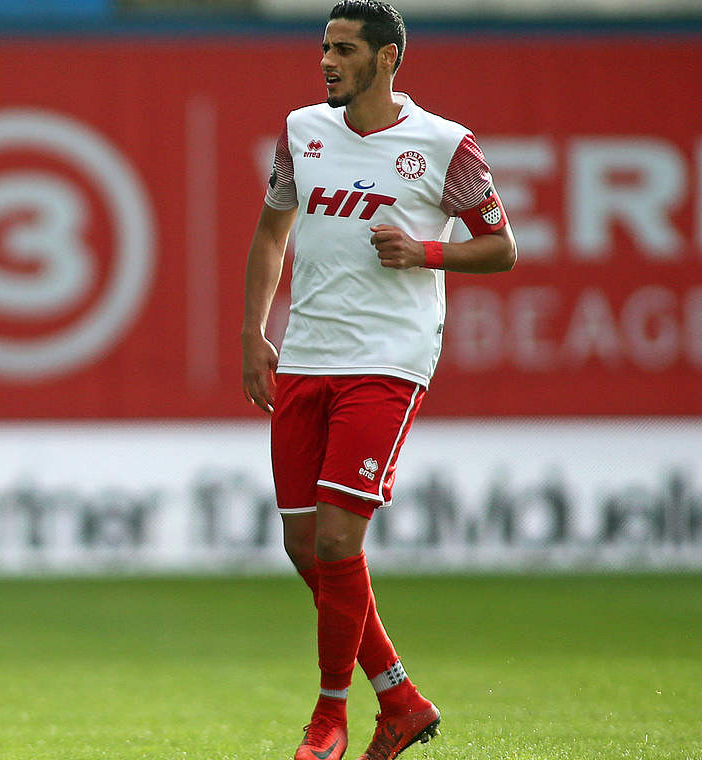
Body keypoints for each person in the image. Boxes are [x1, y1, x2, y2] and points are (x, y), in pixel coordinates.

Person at [239, 3, 515, 759]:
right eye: (324, 46)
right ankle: (399, 698)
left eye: (345, 49)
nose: (327, 60)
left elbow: (501, 249)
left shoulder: (445, 145)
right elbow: (273, 229)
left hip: (388, 360)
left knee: (336, 537)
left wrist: (427, 253)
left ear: (388, 58)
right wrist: (252, 332)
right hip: (305, 353)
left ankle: (329, 718)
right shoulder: (302, 130)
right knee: (303, 545)